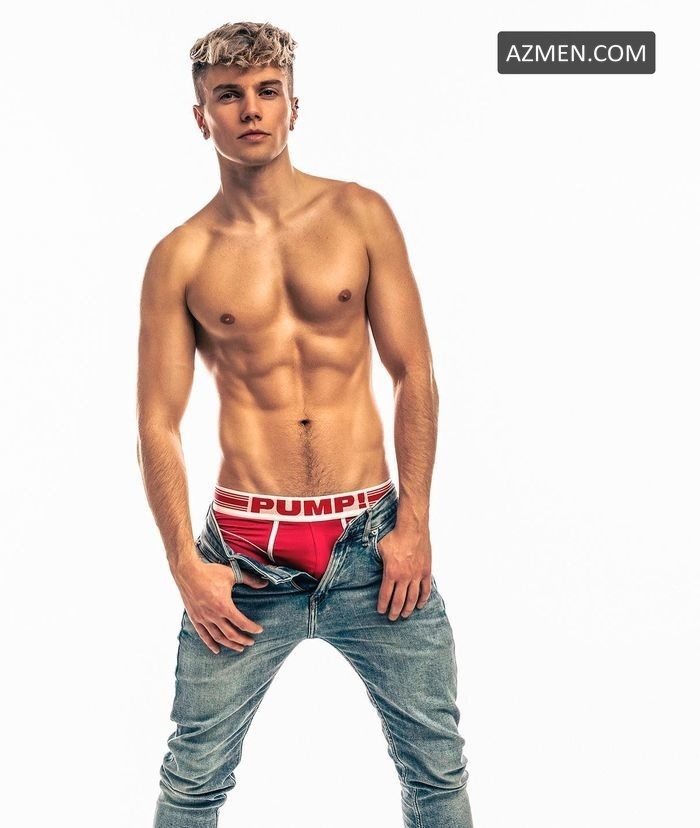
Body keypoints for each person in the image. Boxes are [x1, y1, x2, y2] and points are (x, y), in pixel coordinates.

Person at [136, 20, 474, 828]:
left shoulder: (360, 215)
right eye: (229, 95)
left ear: (294, 105)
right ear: (201, 117)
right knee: (192, 778)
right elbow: (156, 421)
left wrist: (415, 524)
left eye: (267, 91)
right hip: (244, 559)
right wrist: (184, 563)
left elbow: (415, 371)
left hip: (374, 547)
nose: (251, 109)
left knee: (436, 770)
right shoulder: (180, 256)